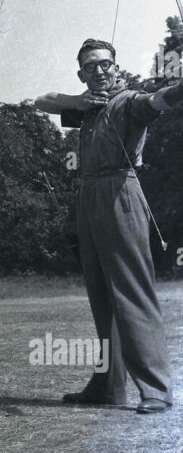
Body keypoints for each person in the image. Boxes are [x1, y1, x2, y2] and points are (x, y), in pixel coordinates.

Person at [35, 37, 182, 414]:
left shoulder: (128, 101)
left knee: (132, 291)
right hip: (88, 195)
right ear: (81, 73)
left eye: (105, 64)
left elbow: (157, 101)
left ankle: (156, 389)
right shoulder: (88, 107)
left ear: (116, 66)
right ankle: (107, 386)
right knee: (101, 297)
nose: (99, 70)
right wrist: (78, 101)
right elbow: (41, 101)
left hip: (120, 191)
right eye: (90, 66)